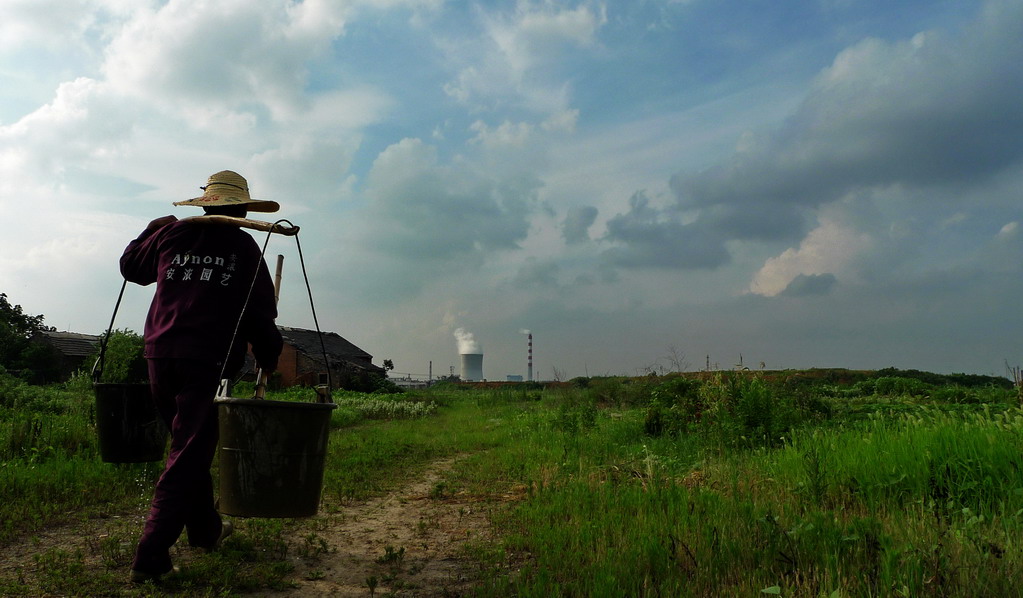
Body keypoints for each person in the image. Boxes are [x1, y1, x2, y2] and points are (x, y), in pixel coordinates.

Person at [120, 170, 284, 583]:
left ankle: (206, 532)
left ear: (206, 204)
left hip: (159, 355)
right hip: (205, 361)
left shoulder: (172, 236)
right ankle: (151, 555)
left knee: (186, 451)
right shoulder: (243, 247)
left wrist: (153, 228)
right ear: (243, 209)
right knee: (187, 456)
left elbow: (131, 266)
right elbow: (260, 315)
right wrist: (269, 356)